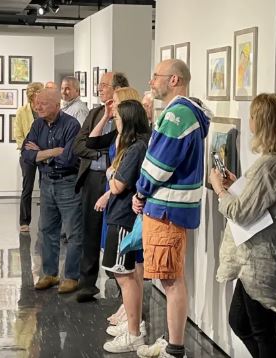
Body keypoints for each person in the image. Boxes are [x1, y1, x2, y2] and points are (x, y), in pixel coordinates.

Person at [209, 93, 276, 358]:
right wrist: (238, 184)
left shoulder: (272, 164)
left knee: (262, 331)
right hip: (264, 259)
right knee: (241, 321)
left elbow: (241, 212)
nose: (248, 121)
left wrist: (219, 188)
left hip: (261, 263)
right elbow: (263, 200)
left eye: (251, 116)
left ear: (261, 122)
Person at [133, 59, 211, 358]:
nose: (152, 81)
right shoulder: (182, 112)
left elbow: (159, 164)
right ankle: (170, 341)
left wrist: (141, 192)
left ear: (175, 80)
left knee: (171, 279)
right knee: (171, 277)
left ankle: (175, 348)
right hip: (168, 208)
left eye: (157, 76)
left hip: (167, 208)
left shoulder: (178, 115)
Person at [90, 100, 150, 353]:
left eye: (117, 118)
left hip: (124, 217)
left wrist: (112, 175)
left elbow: (117, 185)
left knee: (124, 276)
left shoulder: (135, 149)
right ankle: (132, 325)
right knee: (124, 275)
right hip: (120, 214)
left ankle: (134, 331)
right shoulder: (132, 147)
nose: (115, 122)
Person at [73, 72, 130, 303]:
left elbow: (124, 148)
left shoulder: (126, 114)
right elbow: (79, 145)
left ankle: (119, 282)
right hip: (93, 178)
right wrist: (100, 152)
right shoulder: (96, 113)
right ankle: (87, 284)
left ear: (117, 89)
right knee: (89, 230)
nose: (99, 89)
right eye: (99, 86)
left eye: (104, 86)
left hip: (116, 179)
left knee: (115, 230)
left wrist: (105, 153)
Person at [21, 88, 83, 294]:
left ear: (57, 105)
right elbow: (26, 155)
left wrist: (40, 153)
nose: (38, 107)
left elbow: (68, 159)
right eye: (37, 103)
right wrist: (53, 152)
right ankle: (50, 273)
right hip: (46, 182)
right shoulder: (37, 124)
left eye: (43, 104)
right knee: (47, 230)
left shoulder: (71, 125)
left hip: (68, 183)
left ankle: (72, 277)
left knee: (73, 232)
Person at [15, 82, 44, 232]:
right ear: (31, 96)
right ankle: (24, 221)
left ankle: (45, 221)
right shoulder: (21, 111)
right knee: (27, 187)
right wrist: (29, 148)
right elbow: (18, 135)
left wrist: (41, 149)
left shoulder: (45, 110)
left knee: (45, 186)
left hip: (43, 153)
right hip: (27, 154)